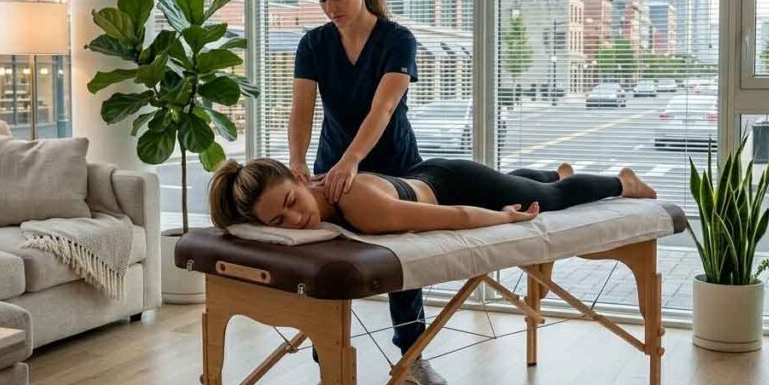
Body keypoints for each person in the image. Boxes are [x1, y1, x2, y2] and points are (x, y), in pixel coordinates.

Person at [287, 0, 438, 385]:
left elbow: (384, 106)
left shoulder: (397, 39)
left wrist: (352, 161)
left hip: (393, 165)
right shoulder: (313, 43)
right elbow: (301, 109)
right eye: (321, 0)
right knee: (328, 268)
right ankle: (327, 368)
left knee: (402, 267)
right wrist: (297, 160)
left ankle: (413, 356)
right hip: (329, 168)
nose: (330, 8)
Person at [209, 158, 657, 234]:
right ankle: (551, 171)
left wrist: (503, 219)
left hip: (454, 186)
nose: (295, 220)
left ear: (298, 179)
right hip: (424, 178)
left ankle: (623, 182)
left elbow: (457, 218)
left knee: (550, 197)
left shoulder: (356, 204)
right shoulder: (319, 187)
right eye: (278, 223)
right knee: (517, 183)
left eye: (290, 202)